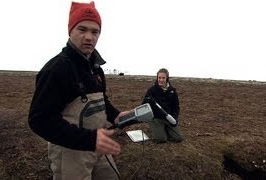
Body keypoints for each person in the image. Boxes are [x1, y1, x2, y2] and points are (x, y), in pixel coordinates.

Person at [28, 2, 129, 179]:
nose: (89, 37)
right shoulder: (56, 69)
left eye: (94, 31)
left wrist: (116, 115)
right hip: (70, 152)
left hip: (98, 144)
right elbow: (39, 120)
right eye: (82, 30)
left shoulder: (95, 68)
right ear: (70, 31)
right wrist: (89, 139)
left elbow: (101, 99)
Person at [142, 68, 183, 144]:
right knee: (160, 139)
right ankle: (159, 129)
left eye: (163, 78)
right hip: (156, 119)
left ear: (167, 78)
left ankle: (166, 128)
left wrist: (175, 117)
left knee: (178, 138)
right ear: (157, 78)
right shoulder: (151, 90)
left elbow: (176, 107)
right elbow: (144, 105)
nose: (161, 80)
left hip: (168, 118)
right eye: (159, 77)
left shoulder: (172, 91)